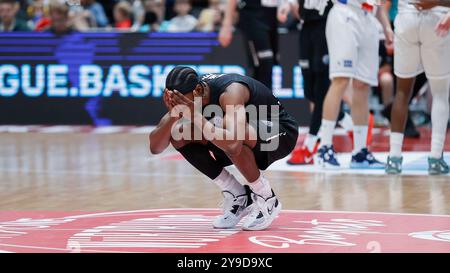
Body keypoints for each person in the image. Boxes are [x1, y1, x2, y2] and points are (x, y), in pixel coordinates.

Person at [149, 66, 299, 230]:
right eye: (176, 102)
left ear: (198, 90)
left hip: (280, 132)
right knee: (179, 134)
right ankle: (238, 195)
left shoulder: (231, 91)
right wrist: (173, 114)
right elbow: (155, 147)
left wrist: (196, 116)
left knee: (231, 136)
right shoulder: (187, 95)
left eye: (183, 102)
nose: (181, 106)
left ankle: (267, 198)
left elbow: (233, 145)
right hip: (246, 134)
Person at [314, 0, 394, 169]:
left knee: (363, 86)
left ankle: (360, 151)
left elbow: (378, 4)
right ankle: (324, 147)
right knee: (340, 80)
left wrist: (386, 28)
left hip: (369, 17)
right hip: (345, 13)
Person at [279, 0, 358, 165]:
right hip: (306, 27)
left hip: (327, 27)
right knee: (310, 92)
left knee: (322, 91)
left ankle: (309, 147)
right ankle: (349, 124)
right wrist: (288, 4)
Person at [386, 0, 450, 174]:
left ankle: (394, 158)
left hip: (406, 16)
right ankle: (436, 159)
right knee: (440, 92)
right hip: (437, 16)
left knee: (402, 92)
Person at [219, 0, 281, 89]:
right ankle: (261, 101)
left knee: (268, 66)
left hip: (272, 13)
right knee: (264, 63)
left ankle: (260, 99)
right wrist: (227, 24)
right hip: (253, 13)